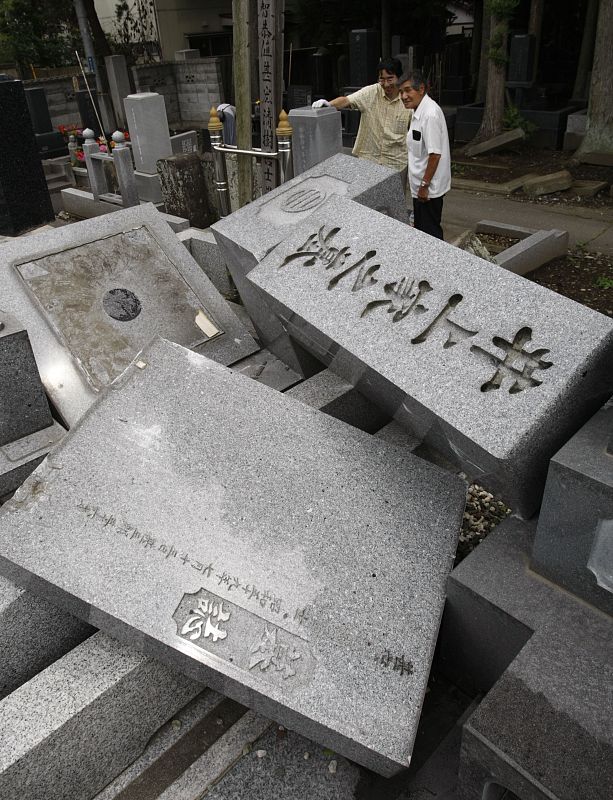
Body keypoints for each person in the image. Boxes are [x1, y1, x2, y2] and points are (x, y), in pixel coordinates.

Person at [312, 57, 411, 173]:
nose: (386, 84)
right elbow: (347, 100)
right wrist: (328, 104)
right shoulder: (371, 92)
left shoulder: (408, 100)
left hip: (396, 164)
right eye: (382, 79)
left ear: (399, 78)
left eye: (390, 79)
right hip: (368, 160)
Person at [398, 70, 451, 240]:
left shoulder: (430, 114)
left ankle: (437, 264)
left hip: (427, 189)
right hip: (420, 186)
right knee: (421, 231)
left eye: (407, 90)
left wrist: (424, 185)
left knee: (431, 234)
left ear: (421, 89)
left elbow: (435, 154)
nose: (404, 96)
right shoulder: (418, 110)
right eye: (401, 92)